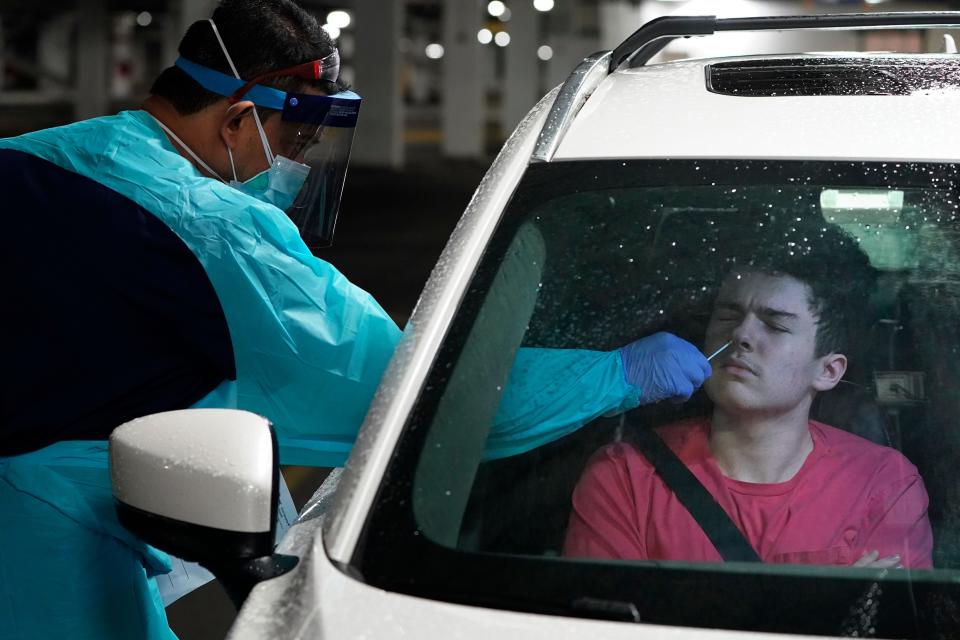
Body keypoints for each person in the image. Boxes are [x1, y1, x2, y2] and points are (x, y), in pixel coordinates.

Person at [0, 1, 711, 637]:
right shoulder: (217, 232)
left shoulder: (33, 158)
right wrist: (619, 372)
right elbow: (419, 397)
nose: (301, 164)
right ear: (239, 115)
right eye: (297, 139)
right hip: (46, 544)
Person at [564, 218, 934, 569]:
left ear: (828, 370)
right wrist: (826, 603)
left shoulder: (882, 482)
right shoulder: (626, 473)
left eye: (774, 325)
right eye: (728, 316)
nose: (740, 335)